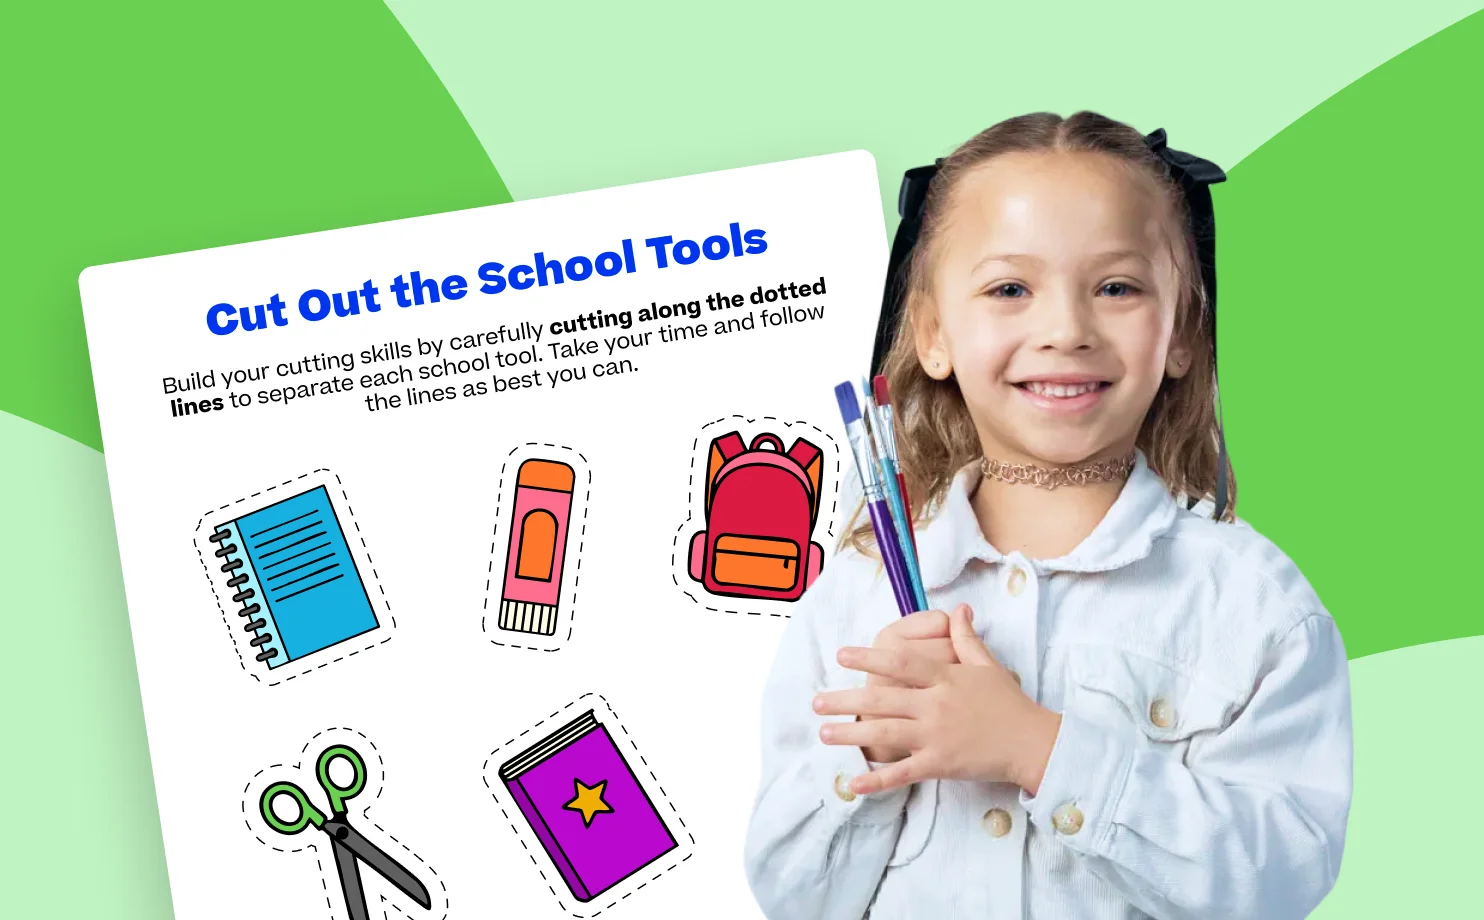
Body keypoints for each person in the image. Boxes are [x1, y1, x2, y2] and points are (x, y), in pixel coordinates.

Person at [742, 111, 1352, 920]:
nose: (1065, 329)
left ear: (1181, 333)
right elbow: (790, 897)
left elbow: (1278, 883)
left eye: (1117, 287)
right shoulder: (856, 594)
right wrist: (872, 750)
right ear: (931, 334)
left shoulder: (1254, 608)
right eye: (1009, 289)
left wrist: (1039, 748)